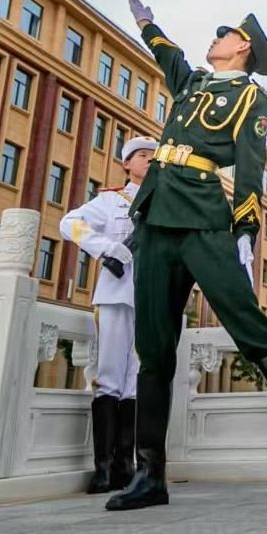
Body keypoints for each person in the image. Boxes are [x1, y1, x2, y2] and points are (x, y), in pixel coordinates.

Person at [107, 3, 267, 511]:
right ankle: (150, 474)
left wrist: (246, 226)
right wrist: (148, 26)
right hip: (158, 215)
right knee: (154, 349)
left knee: (252, 331)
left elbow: (251, 165)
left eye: (225, 34)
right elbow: (170, 59)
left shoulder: (253, 97)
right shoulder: (194, 85)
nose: (216, 38)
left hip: (205, 219)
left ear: (243, 47)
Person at [60, 136, 159, 493]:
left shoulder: (166, 202)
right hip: (116, 297)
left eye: (154, 156)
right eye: (143, 156)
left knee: (136, 382)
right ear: (127, 164)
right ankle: (102, 467)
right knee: (109, 378)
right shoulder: (110, 201)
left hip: (150, 300)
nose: (150, 160)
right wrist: (107, 249)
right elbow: (69, 223)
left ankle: (126, 464)